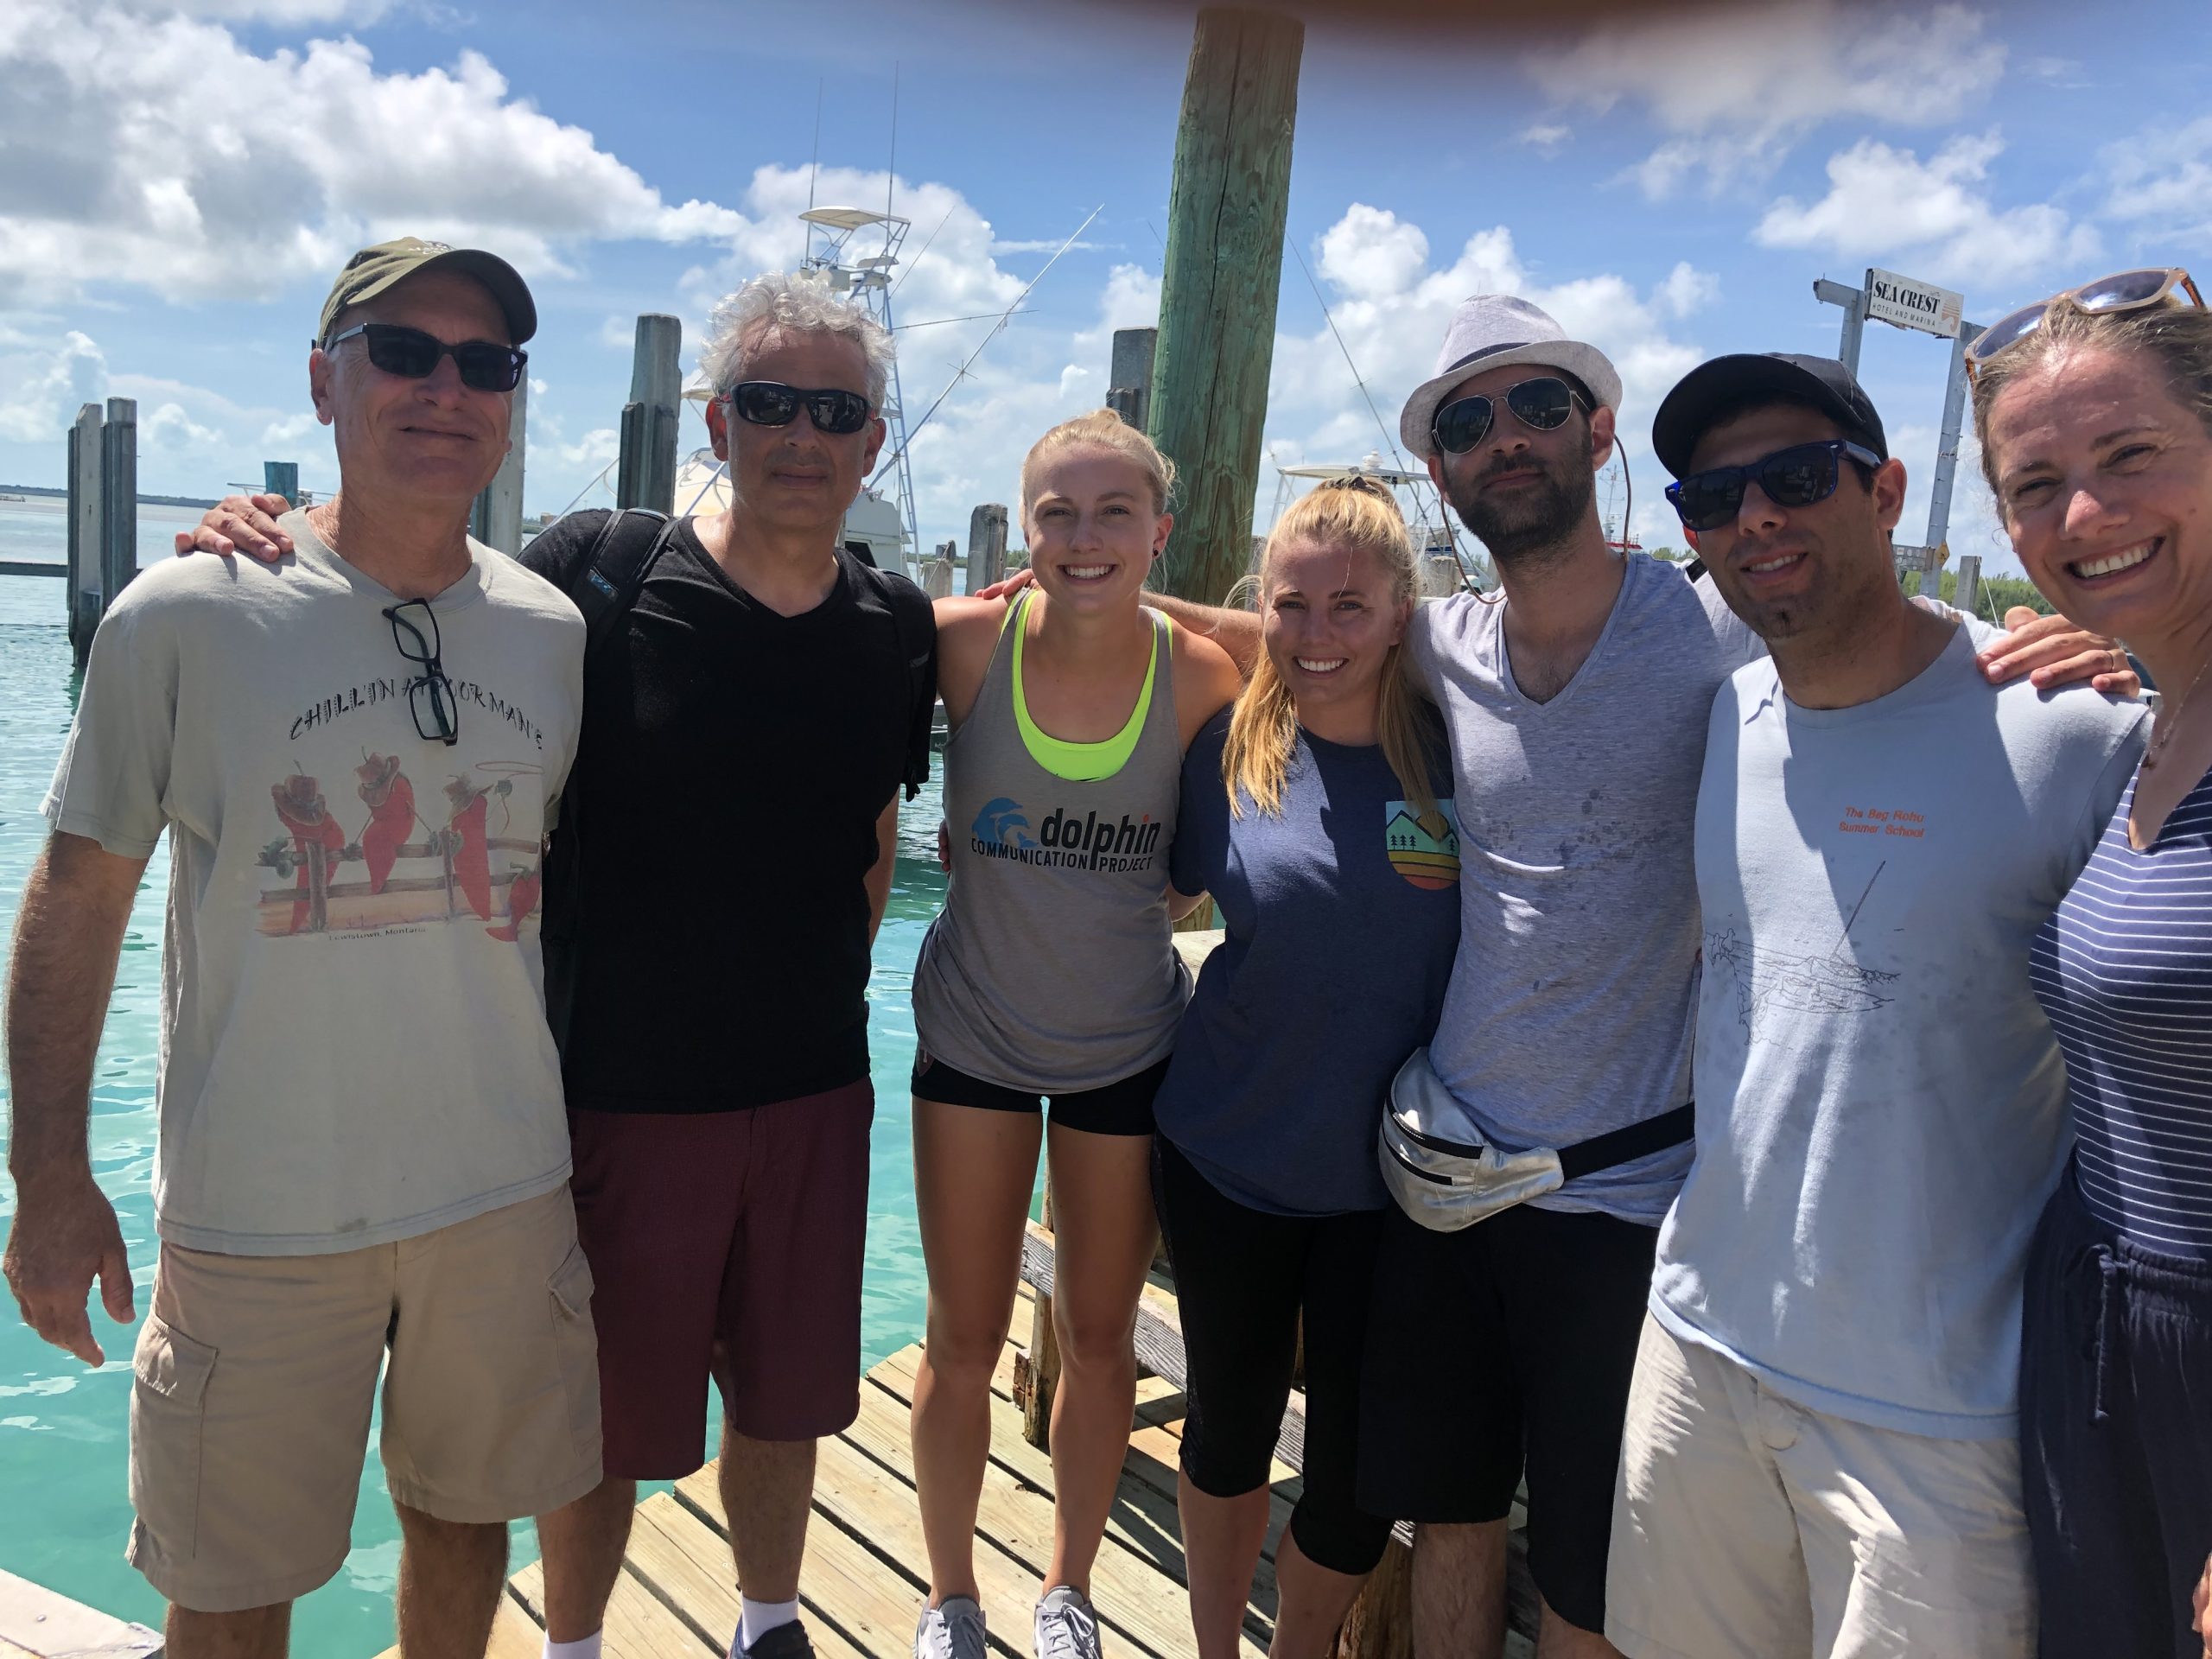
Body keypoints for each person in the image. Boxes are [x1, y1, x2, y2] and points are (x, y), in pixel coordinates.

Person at [1032, 295, 2136, 1659]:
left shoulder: (1721, 631)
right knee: (1446, 1516)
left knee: (1587, 1566)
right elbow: (1305, 632)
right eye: (1469, 421)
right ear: (1440, 466)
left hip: (1630, 1193)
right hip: (1443, 1173)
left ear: (1596, 433)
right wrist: (1105, 595)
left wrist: (2078, 640)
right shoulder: (1442, 643)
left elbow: (1865, 635)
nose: (1506, 437)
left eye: (1538, 405)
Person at [173, 272, 937, 1659]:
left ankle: (771, 1623)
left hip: (817, 1088)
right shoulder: (602, 575)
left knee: (787, 1401)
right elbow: (413, 582)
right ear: (717, 420)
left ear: (874, 441)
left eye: (837, 412)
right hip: (616, 1094)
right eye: (771, 402)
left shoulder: (898, 626)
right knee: (602, 1419)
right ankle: (574, 1642)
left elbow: (876, 837)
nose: (803, 434)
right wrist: (269, 532)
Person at [1, 238, 599, 1659]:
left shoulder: (554, 630)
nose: (446, 388)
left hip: (501, 1191)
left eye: (485, 363)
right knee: (226, 1588)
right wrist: (48, 1175)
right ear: (325, 382)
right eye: (403, 352)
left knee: (466, 1523)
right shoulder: (183, 612)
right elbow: (78, 894)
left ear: (512, 399)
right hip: (254, 1213)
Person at [1605, 353, 2146, 1659]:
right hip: (1698, 1344)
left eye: (1796, 478)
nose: (1755, 518)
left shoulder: (2081, 726)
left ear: (1887, 492)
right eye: (1713, 499)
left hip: (1942, 1417)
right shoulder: (1729, 717)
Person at [908, 410, 1241, 1659]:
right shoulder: (962, 645)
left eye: (1115, 513)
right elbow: (814, 632)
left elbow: (1342, 650)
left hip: (1126, 1051)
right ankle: (949, 1597)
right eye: (1058, 513)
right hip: (975, 1042)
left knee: (1101, 1343)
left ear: (1161, 530)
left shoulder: (1200, 674)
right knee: (961, 1337)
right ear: (1023, 529)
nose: (1084, 536)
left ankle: (1068, 1590)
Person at [1151, 477, 1459, 1657]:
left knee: (1355, 1471)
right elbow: (1152, 895)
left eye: (1348, 606)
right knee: (1227, 1428)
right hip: (1226, 1151)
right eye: (1291, 604)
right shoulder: (1223, 749)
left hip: (1393, 1188)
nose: (1316, 633)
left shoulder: (1461, 755)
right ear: (1262, 607)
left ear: (1399, 615)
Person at [1970, 268, 2212, 1659]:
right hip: (2094, 1322)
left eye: (2131, 456)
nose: (2084, 516)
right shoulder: (2146, 722)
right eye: (2037, 484)